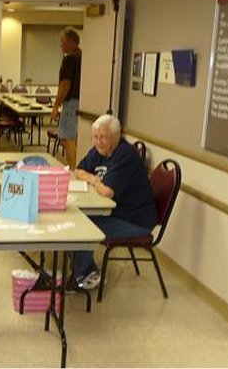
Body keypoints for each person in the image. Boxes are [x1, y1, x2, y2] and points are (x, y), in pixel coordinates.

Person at [73, 115, 158, 289]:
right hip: (118, 213)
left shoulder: (124, 154)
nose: (98, 142)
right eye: (95, 137)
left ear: (116, 136)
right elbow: (78, 170)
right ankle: (81, 268)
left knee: (84, 224)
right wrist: (94, 179)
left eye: (102, 137)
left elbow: (106, 192)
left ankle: (86, 275)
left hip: (135, 220)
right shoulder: (100, 150)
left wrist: (95, 182)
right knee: (79, 218)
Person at [51, 27, 82, 169]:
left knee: (68, 139)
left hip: (71, 104)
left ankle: (74, 171)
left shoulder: (70, 58)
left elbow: (65, 84)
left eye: (62, 41)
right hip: (80, 103)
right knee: (73, 139)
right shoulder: (82, 57)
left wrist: (56, 106)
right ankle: (76, 169)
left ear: (70, 41)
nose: (60, 45)